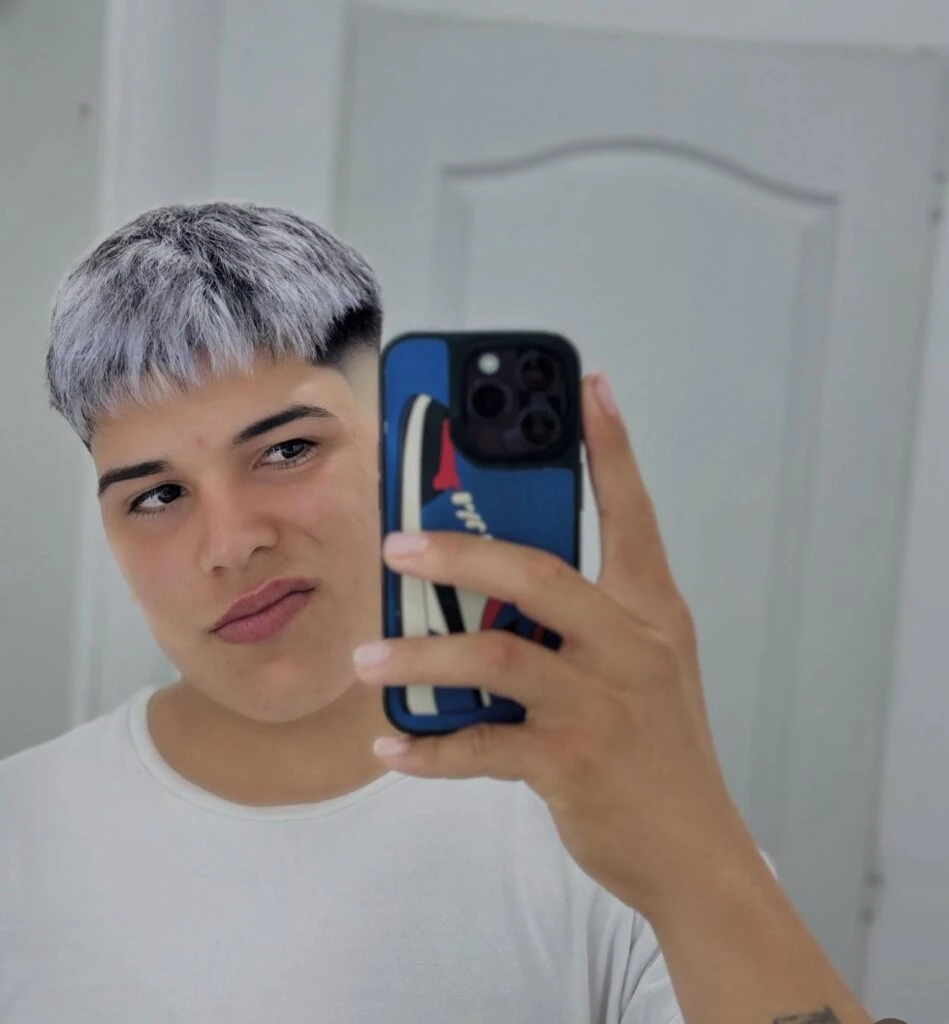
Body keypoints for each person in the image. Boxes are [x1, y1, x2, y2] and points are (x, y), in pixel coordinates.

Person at [0, 203, 874, 1024]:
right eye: (155, 497)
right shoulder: (21, 831)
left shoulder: (605, 809)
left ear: (397, 447)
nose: (230, 544)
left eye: (288, 449)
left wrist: (699, 866)